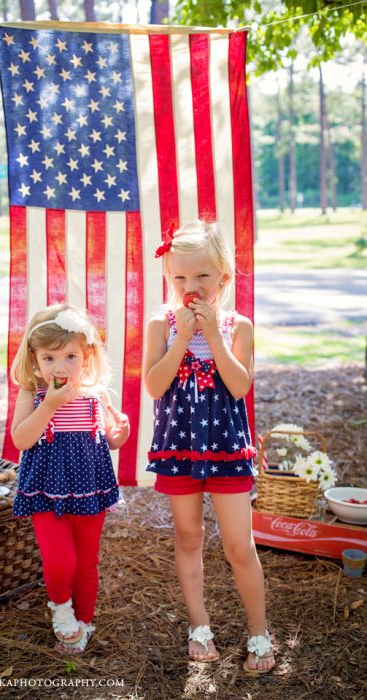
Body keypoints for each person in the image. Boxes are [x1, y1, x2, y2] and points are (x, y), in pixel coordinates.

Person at [144, 220, 275, 673]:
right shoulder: (161, 324)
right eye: (179, 278)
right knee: (188, 536)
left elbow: (239, 387)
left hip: (226, 449)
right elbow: (154, 386)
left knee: (240, 545)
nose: (190, 287)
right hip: (178, 449)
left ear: (222, 277)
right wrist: (182, 337)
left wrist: (214, 337)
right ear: (169, 278)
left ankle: (258, 630)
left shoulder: (239, 325)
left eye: (201, 276)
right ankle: (199, 625)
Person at [11, 303, 129, 654]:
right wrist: (48, 406)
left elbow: (110, 439)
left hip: (89, 488)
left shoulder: (96, 395)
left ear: (87, 355)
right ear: (34, 358)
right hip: (47, 488)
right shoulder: (33, 395)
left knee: (86, 559)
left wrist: (119, 433)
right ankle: (61, 609)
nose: (59, 368)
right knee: (60, 558)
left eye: (69, 357)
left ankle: (85, 618)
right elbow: (21, 439)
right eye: (49, 358)